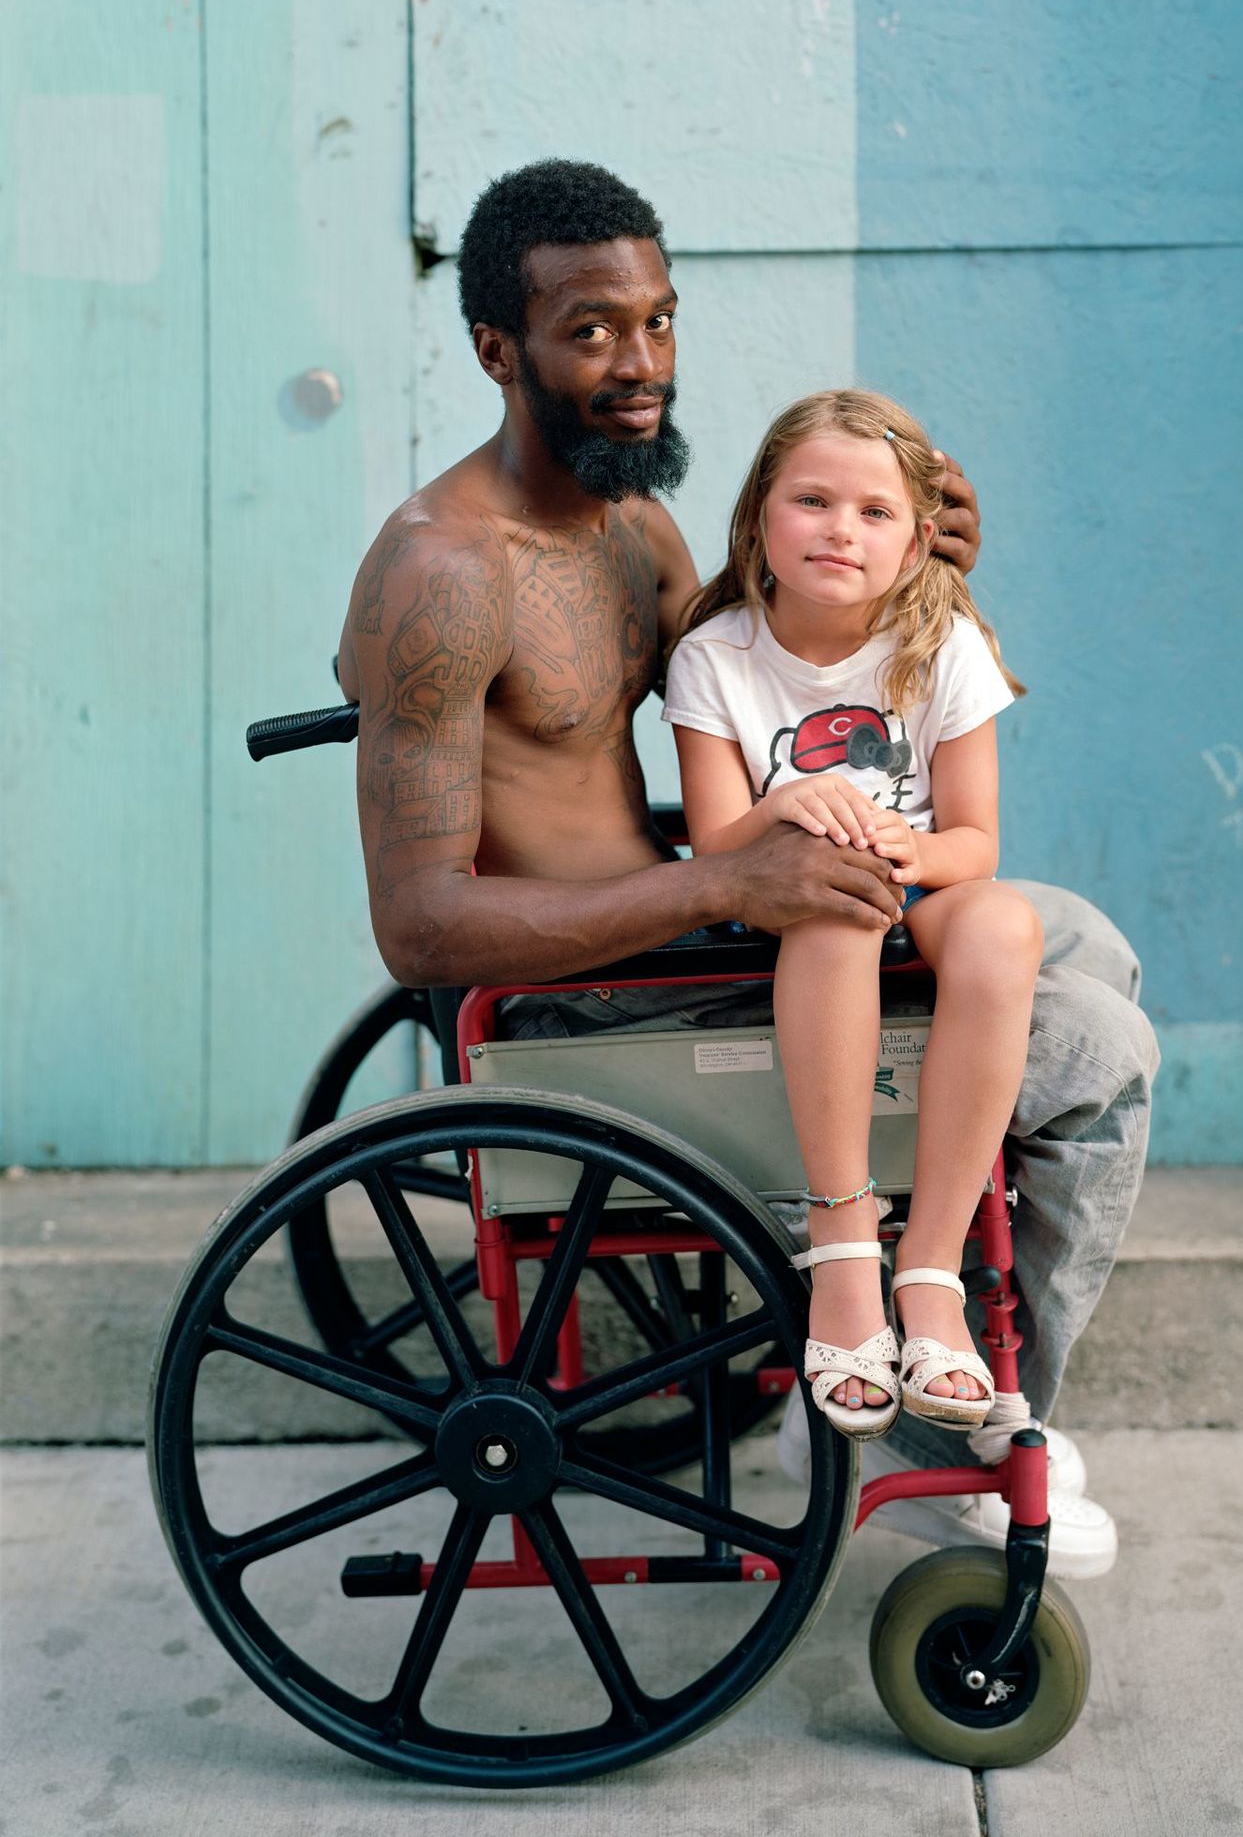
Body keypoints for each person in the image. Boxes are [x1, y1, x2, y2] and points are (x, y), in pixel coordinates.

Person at [336, 157, 1157, 1576]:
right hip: (600, 996)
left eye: (658, 321)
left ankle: (910, 1342)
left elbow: (784, 658)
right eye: (590, 331)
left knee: (1074, 937)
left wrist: (909, 567)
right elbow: (419, 928)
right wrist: (727, 886)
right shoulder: (441, 575)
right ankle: (930, 1419)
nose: (641, 363)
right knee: (1095, 1046)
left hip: (710, 934)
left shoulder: (628, 523)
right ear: (495, 350)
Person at [664, 389, 1042, 1442]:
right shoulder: (716, 659)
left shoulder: (943, 644)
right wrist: (787, 807)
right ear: (759, 521)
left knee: (1005, 924)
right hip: (797, 899)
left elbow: (975, 843)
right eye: (813, 501)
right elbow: (715, 844)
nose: (841, 529)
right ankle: (842, 1250)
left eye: (875, 513)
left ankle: (930, 1264)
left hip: (918, 877)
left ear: (920, 541)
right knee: (835, 900)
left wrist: (903, 848)